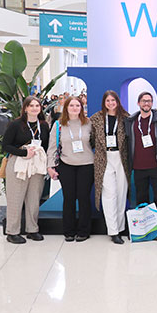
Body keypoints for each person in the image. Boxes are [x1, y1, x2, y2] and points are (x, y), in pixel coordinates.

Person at [46, 96, 94, 242]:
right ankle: (69, 231)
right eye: (71, 105)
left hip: (86, 165)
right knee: (69, 199)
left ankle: (84, 231)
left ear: (82, 108)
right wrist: (50, 166)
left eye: (77, 106)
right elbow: (52, 147)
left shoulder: (89, 123)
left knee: (84, 198)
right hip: (66, 165)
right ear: (66, 107)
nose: (74, 108)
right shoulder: (59, 125)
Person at [2, 96, 49, 244]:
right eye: (31, 106)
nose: (34, 108)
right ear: (25, 108)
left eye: (37, 105)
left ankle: (32, 229)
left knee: (34, 198)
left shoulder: (44, 125)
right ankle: (12, 231)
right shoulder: (16, 124)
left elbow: (46, 145)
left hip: (36, 164)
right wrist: (24, 153)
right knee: (15, 198)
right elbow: (5, 146)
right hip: (19, 163)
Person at [90, 91, 131, 244]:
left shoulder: (126, 118)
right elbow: (91, 140)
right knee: (109, 195)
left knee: (121, 194)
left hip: (121, 158)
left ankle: (120, 228)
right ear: (104, 102)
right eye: (108, 100)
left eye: (113, 100)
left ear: (118, 101)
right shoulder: (96, 118)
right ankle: (113, 231)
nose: (111, 103)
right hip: (104, 158)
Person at [126, 92, 157, 231]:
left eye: (149, 101)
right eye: (144, 101)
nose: (147, 104)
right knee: (141, 199)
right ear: (138, 103)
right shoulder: (131, 121)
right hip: (138, 167)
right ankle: (143, 229)